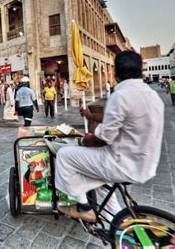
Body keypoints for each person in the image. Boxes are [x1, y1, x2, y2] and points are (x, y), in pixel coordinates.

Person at [54, 50, 164, 222]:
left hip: (122, 163)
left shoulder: (121, 95)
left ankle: (83, 207)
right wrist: (89, 116)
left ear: (115, 73)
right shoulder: (153, 96)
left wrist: (84, 139)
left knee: (64, 155)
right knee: (104, 187)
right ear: (140, 71)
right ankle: (118, 223)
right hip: (146, 164)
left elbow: (103, 138)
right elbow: (118, 121)